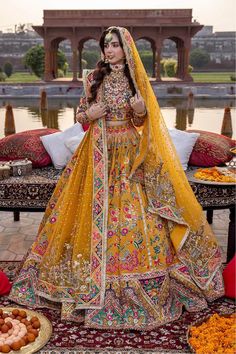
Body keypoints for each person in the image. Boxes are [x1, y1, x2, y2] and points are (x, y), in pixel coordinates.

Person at [9, 27, 224, 330]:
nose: (108, 50)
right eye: (105, 45)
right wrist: (90, 115)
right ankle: (83, 280)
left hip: (130, 155)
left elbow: (144, 121)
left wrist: (139, 112)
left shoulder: (137, 80)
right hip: (97, 153)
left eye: (114, 45)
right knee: (81, 215)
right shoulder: (93, 78)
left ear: (126, 49)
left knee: (138, 216)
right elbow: (81, 115)